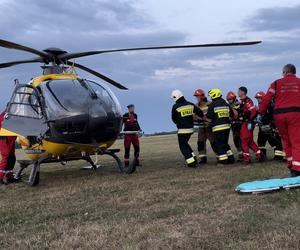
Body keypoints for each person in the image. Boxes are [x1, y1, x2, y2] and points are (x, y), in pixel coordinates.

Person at [258, 64, 300, 176]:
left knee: (286, 141)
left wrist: (260, 113)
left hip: (279, 116)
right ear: (294, 73)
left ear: (285, 72)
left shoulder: (275, 83)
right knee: (296, 141)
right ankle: (297, 168)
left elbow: (266, 99)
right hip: (295, 114)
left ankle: (291, 164)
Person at [171, 90, 204, 168]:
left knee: (183, 146)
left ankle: (191, 163)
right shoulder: (190, 104)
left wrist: (179, 123)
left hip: (182, 130)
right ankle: (194, 158)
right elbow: (200, 113)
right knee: (185, 144)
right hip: (190, 129)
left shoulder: (175, 106)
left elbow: (173, 119)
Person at [207, 89, 235, 165]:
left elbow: (209, 116)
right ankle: (231, 158)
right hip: (227, 127)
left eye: (211, 96)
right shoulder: (226, 104)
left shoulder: (212, 105)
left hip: (218, 128)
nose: (211, 98)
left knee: (219, 144)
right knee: (225, 143)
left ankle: (223, 161)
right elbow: (232, 115)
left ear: (214, 95)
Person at [254, 91, 284, 161]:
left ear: (263, 98)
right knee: (260, 142)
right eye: (257, 98)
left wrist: (273, 126)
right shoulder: (260, 106)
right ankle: (262, 157)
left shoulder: (270, 105)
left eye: (258, 98)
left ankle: (278, 157)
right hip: (262, 127)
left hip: (270, 127)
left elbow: (274, 116)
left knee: (275, 142)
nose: (257, 100)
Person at [238, 86, 262, 163]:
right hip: (246, 123)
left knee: (244, 141)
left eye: (239, 91)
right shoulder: (242, 101)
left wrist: (250, 122)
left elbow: (253, 112)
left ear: (243, 92)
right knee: (250, 141)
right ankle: (259, 155)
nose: (238, 92)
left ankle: (247, 159)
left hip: (247, 123)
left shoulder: (247, 101)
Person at [193, 89, 216, 163]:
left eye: (197, 96)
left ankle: (220, 156)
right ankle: (203, 159)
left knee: (214, 143)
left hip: (210, 127)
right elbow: (194, 116)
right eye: (196, 96)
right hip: (201, 128)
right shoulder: (196, 105)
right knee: (200, 143)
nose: (197, 98)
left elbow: (213, 115)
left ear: (202, 96)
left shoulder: (210, 103)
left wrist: (204, 119)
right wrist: (198, 119)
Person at [0, 110, 17, 186]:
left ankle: (9, 177)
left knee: (12, 158)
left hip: (11, 138)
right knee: (6, 158)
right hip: (4, 138)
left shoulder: (13, 114)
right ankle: (0, 178)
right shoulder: (4, 115)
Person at [226, 91, 243, 161]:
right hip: (233, 125)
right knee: (236, 140)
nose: (229, 101)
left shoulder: (238, 104)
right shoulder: (228, 105)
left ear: (234, 98)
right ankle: (240, 155)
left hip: (239, 124)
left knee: (241, 140)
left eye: (230, 99)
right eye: (228, 99)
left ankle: (244, 154)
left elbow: (235, 114)